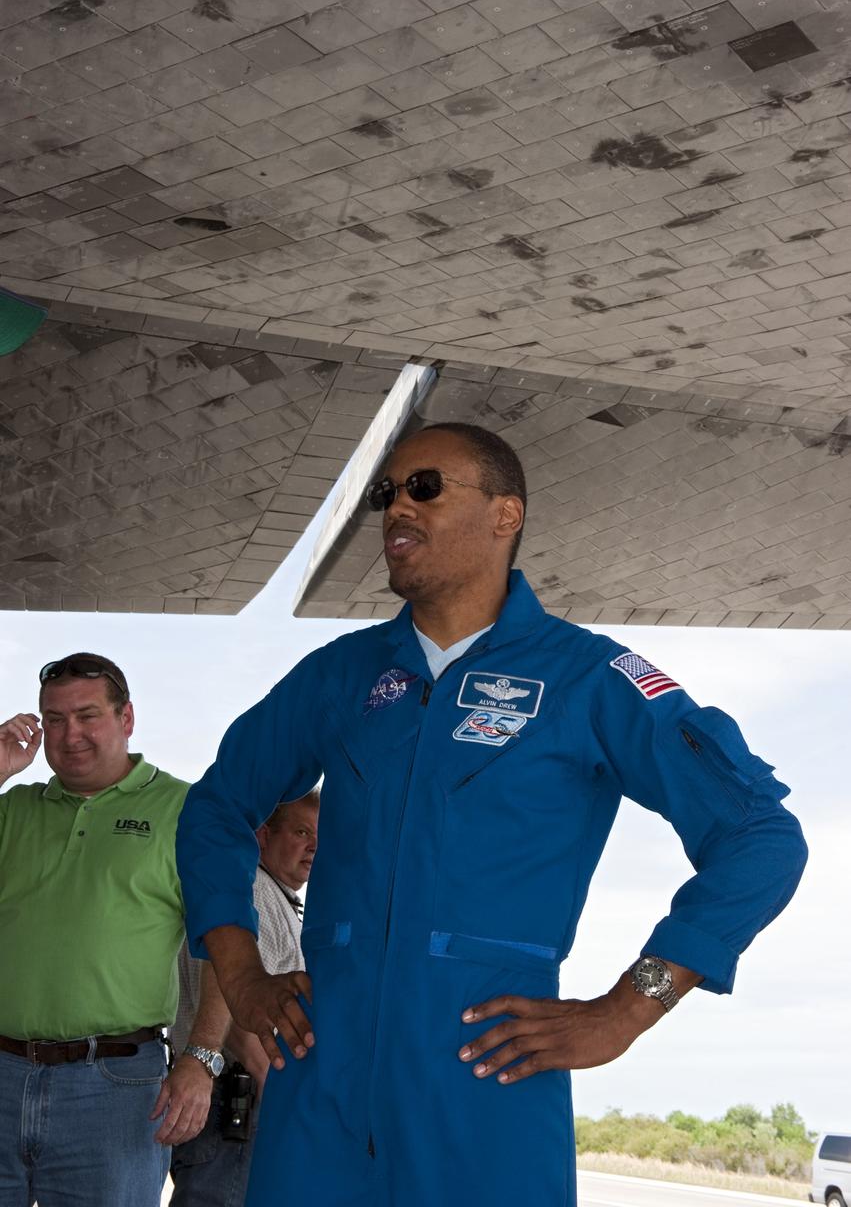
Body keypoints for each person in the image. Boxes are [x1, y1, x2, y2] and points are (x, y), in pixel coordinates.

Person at [176, 424, 808, 1207]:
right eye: (386, 494)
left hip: (485, 1082)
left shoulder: (590, 678)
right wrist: (239, 973)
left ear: (505, 515)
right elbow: (214, 808)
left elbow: (760, 836)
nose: (395, 509)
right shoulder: (339, 675)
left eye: (424, 487)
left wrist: (626, 1009)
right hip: (319, 1091)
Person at [0, 654, 231, 1207]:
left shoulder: (186, 811)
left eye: (87, 715)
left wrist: (202, 1061)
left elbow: (227, 945)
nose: (69, 734)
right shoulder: (13, 810)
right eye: (53, 719)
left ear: (127, 718)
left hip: (116, 1090)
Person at [170, 792, 319, 1207]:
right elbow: (236, 1010)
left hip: (241, 1101)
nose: (313, 847)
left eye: (319, 839)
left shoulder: (274, 896)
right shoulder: (253, 892)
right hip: (235, 1102)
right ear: (263, 834)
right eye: (302, 833)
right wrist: (275, 1092)